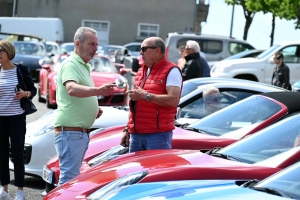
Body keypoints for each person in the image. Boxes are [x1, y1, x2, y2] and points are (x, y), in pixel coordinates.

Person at [54, 27, 116, 186]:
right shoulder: (71, 64)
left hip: (75, 132)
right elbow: (72, 89)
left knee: (70, 178)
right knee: (68, 180)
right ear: (77, 43)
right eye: (91, 44)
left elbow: (76, 94)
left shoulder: (82, 64)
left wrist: (93, 108)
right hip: (71, 132)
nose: (95, 49)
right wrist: (98, 91)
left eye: (96, 45)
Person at [120, 37, 182, 153]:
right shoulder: (141, 71)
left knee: (155, 170)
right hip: (136, 135)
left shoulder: (171, 70)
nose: (141, 52)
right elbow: (134, 104)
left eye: (144, 49)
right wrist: (127, 128)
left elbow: (173, 100)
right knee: (134, 170)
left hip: (157, 136)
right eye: (140, 49)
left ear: (157, 50)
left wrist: (146, 96)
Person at [0, 40, 37, 200]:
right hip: (0, 119)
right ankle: (4, 189)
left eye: (1, 51)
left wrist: (25, 94)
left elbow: (33, 89)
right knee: (1, 155)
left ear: (9, 52)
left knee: (17, 155)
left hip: (17, 118)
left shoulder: (20, 70)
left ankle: (20, 190)